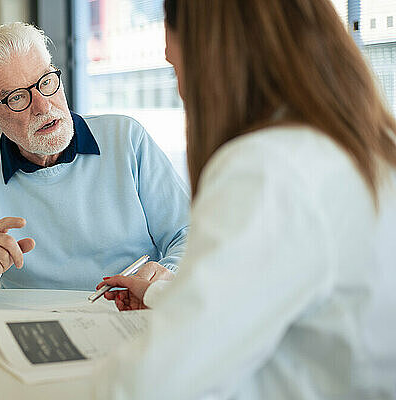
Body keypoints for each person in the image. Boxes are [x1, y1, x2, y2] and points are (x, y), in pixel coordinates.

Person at [96, 0, 396, 398]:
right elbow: (285, 285)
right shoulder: (362, 147)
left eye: (176, 67)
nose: (183, 91)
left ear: (213, 57)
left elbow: (150, 385)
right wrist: (160, 294)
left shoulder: (269, 168)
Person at [0, 22, 189, 297]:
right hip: (32, 333)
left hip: (129, 319)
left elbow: (189, 233)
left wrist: (169, 274)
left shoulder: (126, 139)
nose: (43, 106)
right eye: (17, 97)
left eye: (45, 82)